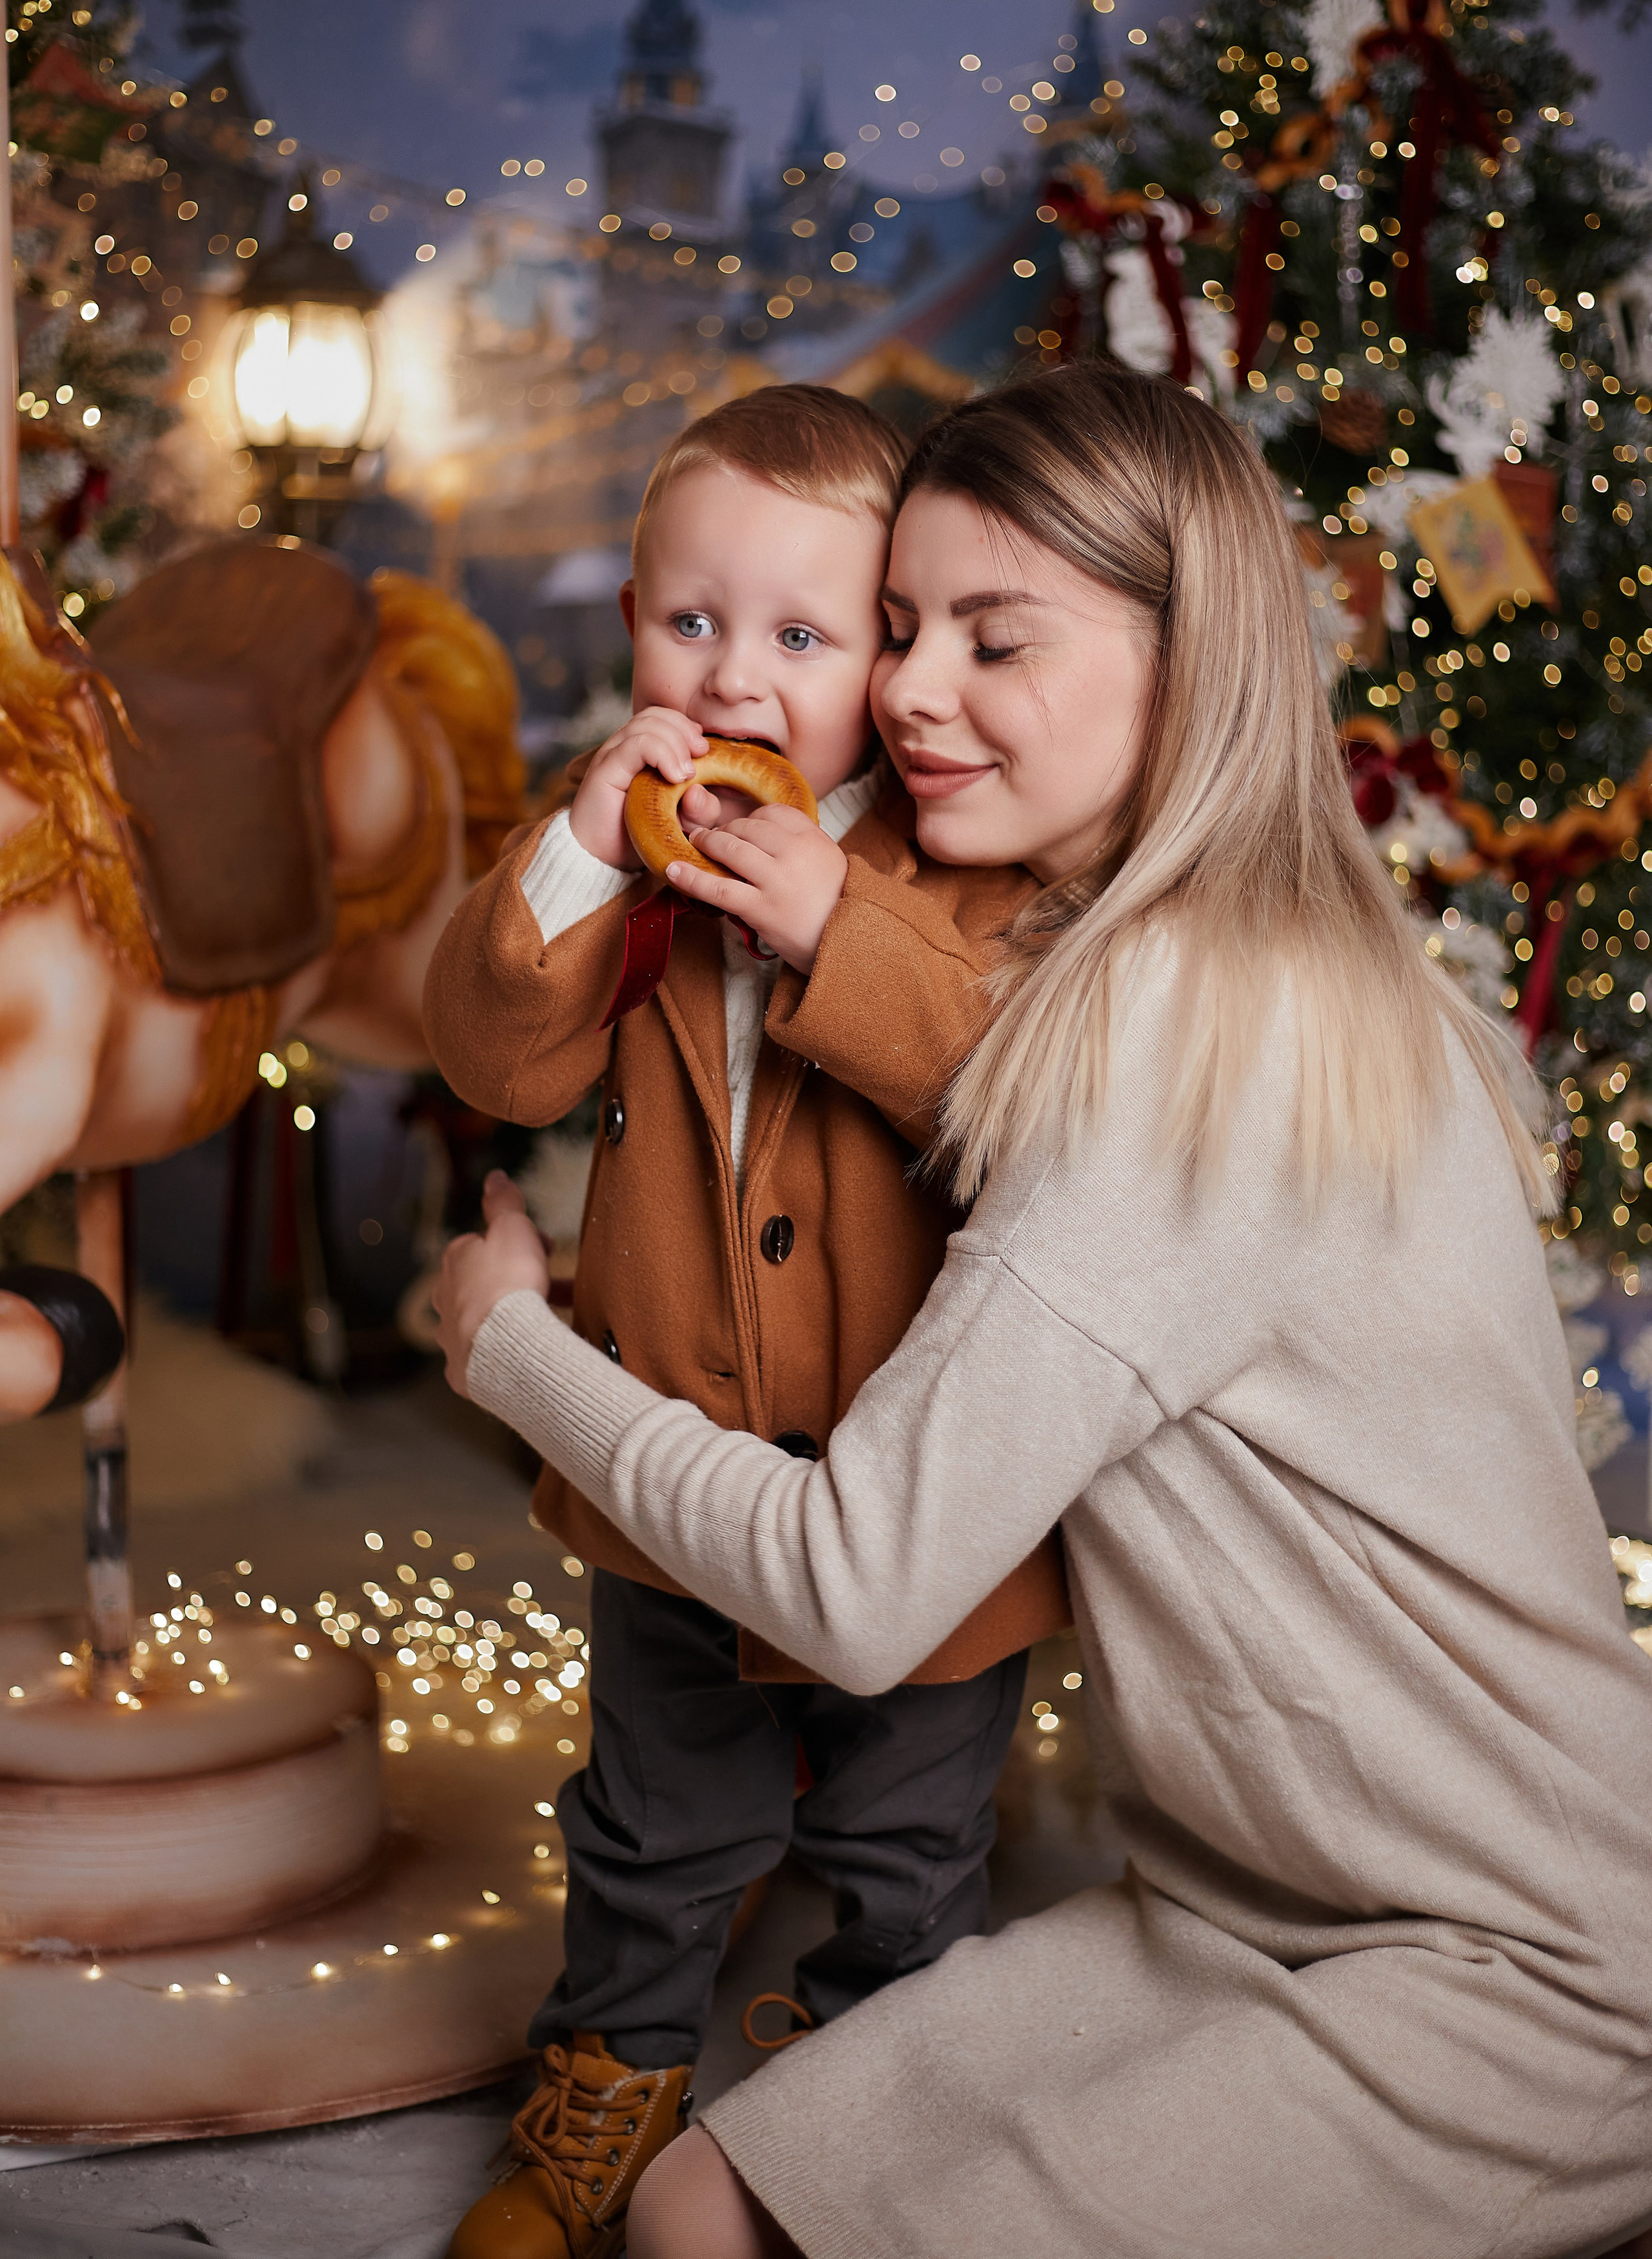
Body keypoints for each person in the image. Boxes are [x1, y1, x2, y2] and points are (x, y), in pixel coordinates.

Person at [436, 361, 1652, 2259]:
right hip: (1242, 1898)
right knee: (689, 2210)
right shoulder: (1102, 963)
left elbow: (856, 1584)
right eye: (902, 629)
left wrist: (514, 1344)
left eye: (996, 642)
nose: (908, 691)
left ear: (1189, 672)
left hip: (1526, 1965)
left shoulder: (1196, 1037)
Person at [422, 383, 1069, 2259]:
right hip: (669, 1479)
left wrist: (828, 926)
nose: (729, 678)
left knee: (906, 1846)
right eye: (686, 622)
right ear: (628, 621)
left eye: (797, 636)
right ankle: (607, 2088)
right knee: (648, 1826)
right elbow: (502, 1066)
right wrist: (571, 857)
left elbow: (1006, 1100)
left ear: (886, 662)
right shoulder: (625, 861)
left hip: (921, 1515)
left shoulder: (971, 880)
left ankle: (857, 2101)